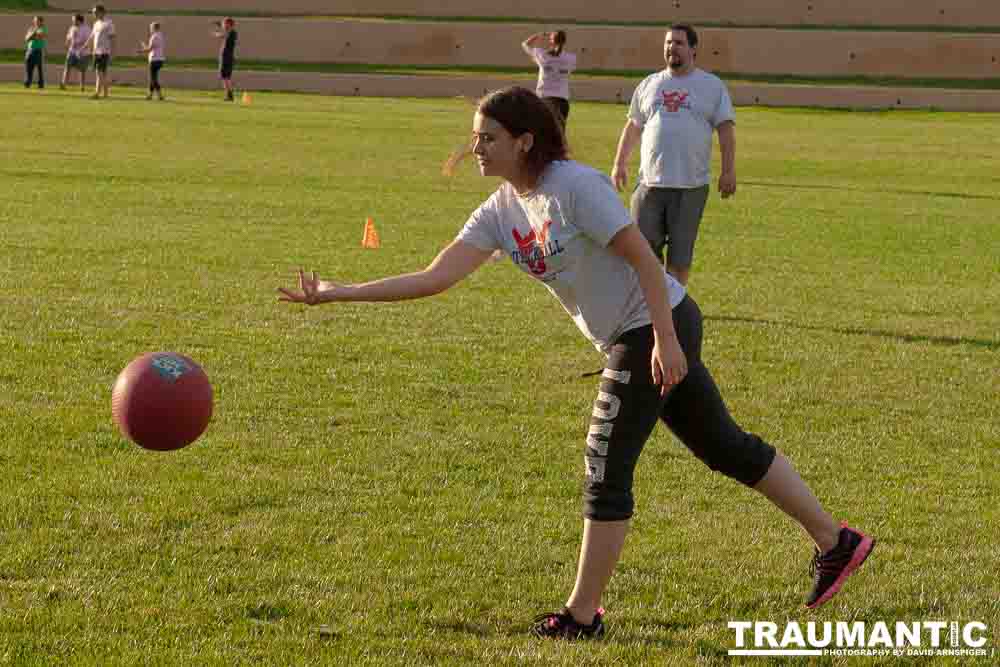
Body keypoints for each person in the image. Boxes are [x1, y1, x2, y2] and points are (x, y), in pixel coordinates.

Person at [277, 86, 875, 640]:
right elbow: (436, 277)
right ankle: (837, 540)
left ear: (524, 140)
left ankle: (582, 616)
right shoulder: (501, 211)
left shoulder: (574, 187)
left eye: (488, 138)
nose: (475, 148)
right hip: (637, 331)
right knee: (724, 446)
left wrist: (665, 341)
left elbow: (644, 257)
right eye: (476, 137)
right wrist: (338, 291)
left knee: (605, 465)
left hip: (654, 323)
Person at [611, 24, 735, 287]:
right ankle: (648, 307)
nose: (671, 48)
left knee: (679, 258)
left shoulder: (711, 86)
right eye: (668, 42)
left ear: (693, 49)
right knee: (642, 253)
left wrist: (728, 170)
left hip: (689, 187)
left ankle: (674, 306)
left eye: (678, 43)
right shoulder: (649, 84)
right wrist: (619, 163)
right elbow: (633, 126)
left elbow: (725, 129)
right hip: (649, 185)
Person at [521, 30, 576, 127]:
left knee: (543, 132)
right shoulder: (571, 58)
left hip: (544, 98)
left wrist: (539, 35)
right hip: (562, 100)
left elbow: (525, 44)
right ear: (564, 42)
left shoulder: (542, 55)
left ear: (551, 41)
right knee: (560, 134)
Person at [81, 4, 115, 99]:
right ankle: (106, 94)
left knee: (99, 72)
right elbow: (92, 36)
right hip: (96, 52)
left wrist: (113, 52)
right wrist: (84, 46)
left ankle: (97, 93)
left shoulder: (108, 23)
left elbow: (112, 38)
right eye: (93, 13)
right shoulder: (96, 24)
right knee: (103, 73)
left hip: (104, 52)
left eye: (95, 12)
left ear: (102, 12)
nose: (94, 14)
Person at [61, 14, 91, 92]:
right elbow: (68, 37)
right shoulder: (72, 28)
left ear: (79, 20)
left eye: (74, 20)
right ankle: (63, 84)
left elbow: (88, 40)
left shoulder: (86, 29)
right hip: (72, 52)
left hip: (83, 52)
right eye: (73, 20)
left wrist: (78, 43)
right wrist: (66, 44)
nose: (73, 22)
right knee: (67, 67)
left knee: (82, 70)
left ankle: (82, 86)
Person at [138, 22, 166, 101]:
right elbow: (154, 47)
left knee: (153, 78)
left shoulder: (154, 36)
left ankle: (160, 95)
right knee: (153, 78)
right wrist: (145, 47)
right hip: (160, 59)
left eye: (151, 28)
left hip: (154, 60)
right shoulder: (161, 35)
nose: (150, 29)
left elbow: (149, 49)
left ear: (154, 28)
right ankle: (150, 95)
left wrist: (141, 50)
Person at [212, 17, 238, 101]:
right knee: (225, 77)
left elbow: (225, 34)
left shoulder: (232, 32)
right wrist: (220, 25)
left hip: (226, 57)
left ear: (229, 24)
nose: (223, 25)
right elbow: (226, 31)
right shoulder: (231, 32)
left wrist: (217, 34)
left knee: (225, 77)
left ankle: (229, 95)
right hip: (226, 57)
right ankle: (229, 94)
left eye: (225, 23)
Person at [23, 16, 47, 89]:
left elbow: (40, 36)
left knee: (40, 68)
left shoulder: (43, 28)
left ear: (41, 22)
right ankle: (28, 82)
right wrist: (33, 34)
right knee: (28, 67)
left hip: (38, 50)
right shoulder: (31, 28)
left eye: (37, 21)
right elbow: (26, 38)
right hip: (30, 50)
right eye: (35, 21)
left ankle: (41, 84)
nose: (35, 22)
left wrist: (32, 36)